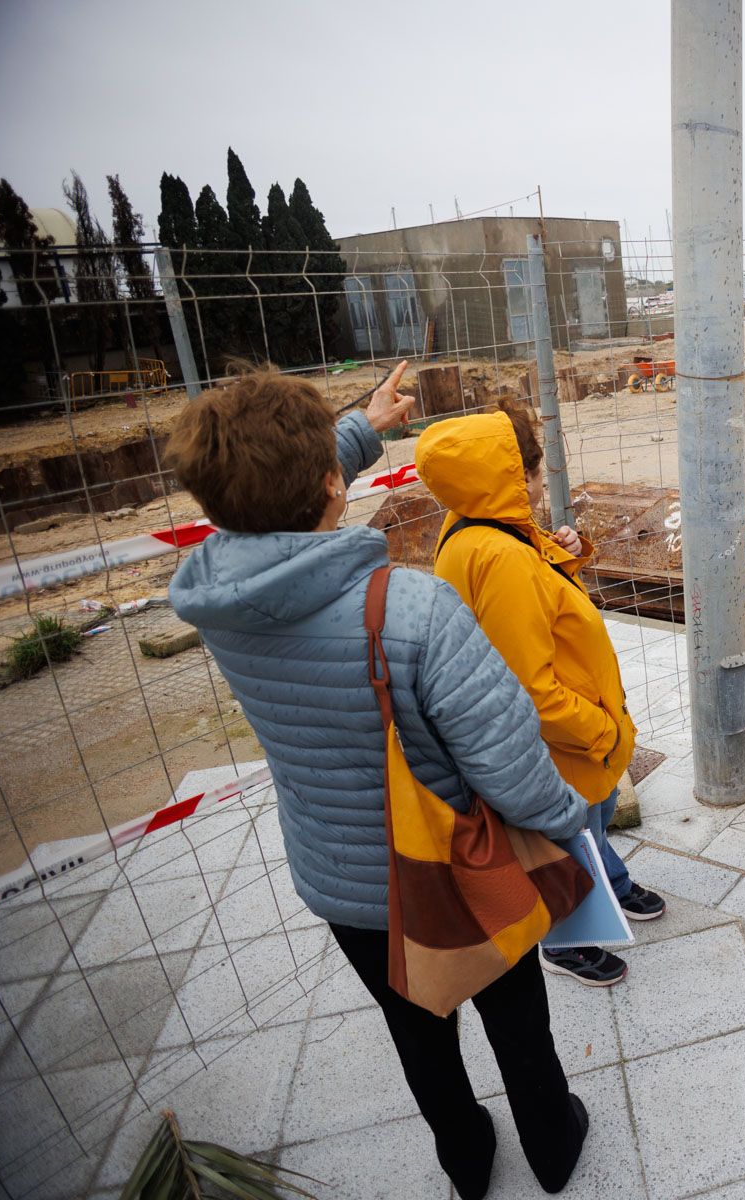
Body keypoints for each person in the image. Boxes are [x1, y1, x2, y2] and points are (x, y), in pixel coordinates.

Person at [166, 364, 592, 1200]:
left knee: (417, 1030)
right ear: (330, 481)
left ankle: (466, 1157)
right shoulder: (412, 608)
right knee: (516, 1016)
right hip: (455, 869)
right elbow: (509, 767)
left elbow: (268, 500)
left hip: (340, 877)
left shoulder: (219, 597)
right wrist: (572, 817)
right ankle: (551, 1140)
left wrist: (362, 430)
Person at [415, 399, 665, 987]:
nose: (536, 481)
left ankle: (616, 886)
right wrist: (603, 732)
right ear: (508, 475)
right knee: (564, 838)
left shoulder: (475, 527)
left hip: (565, 736)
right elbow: (531, 686)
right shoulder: (500, 557)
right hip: (563, 737)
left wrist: (568, 558)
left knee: (590, 823)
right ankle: (567, 941)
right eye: (530, 470)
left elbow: (542, 604)